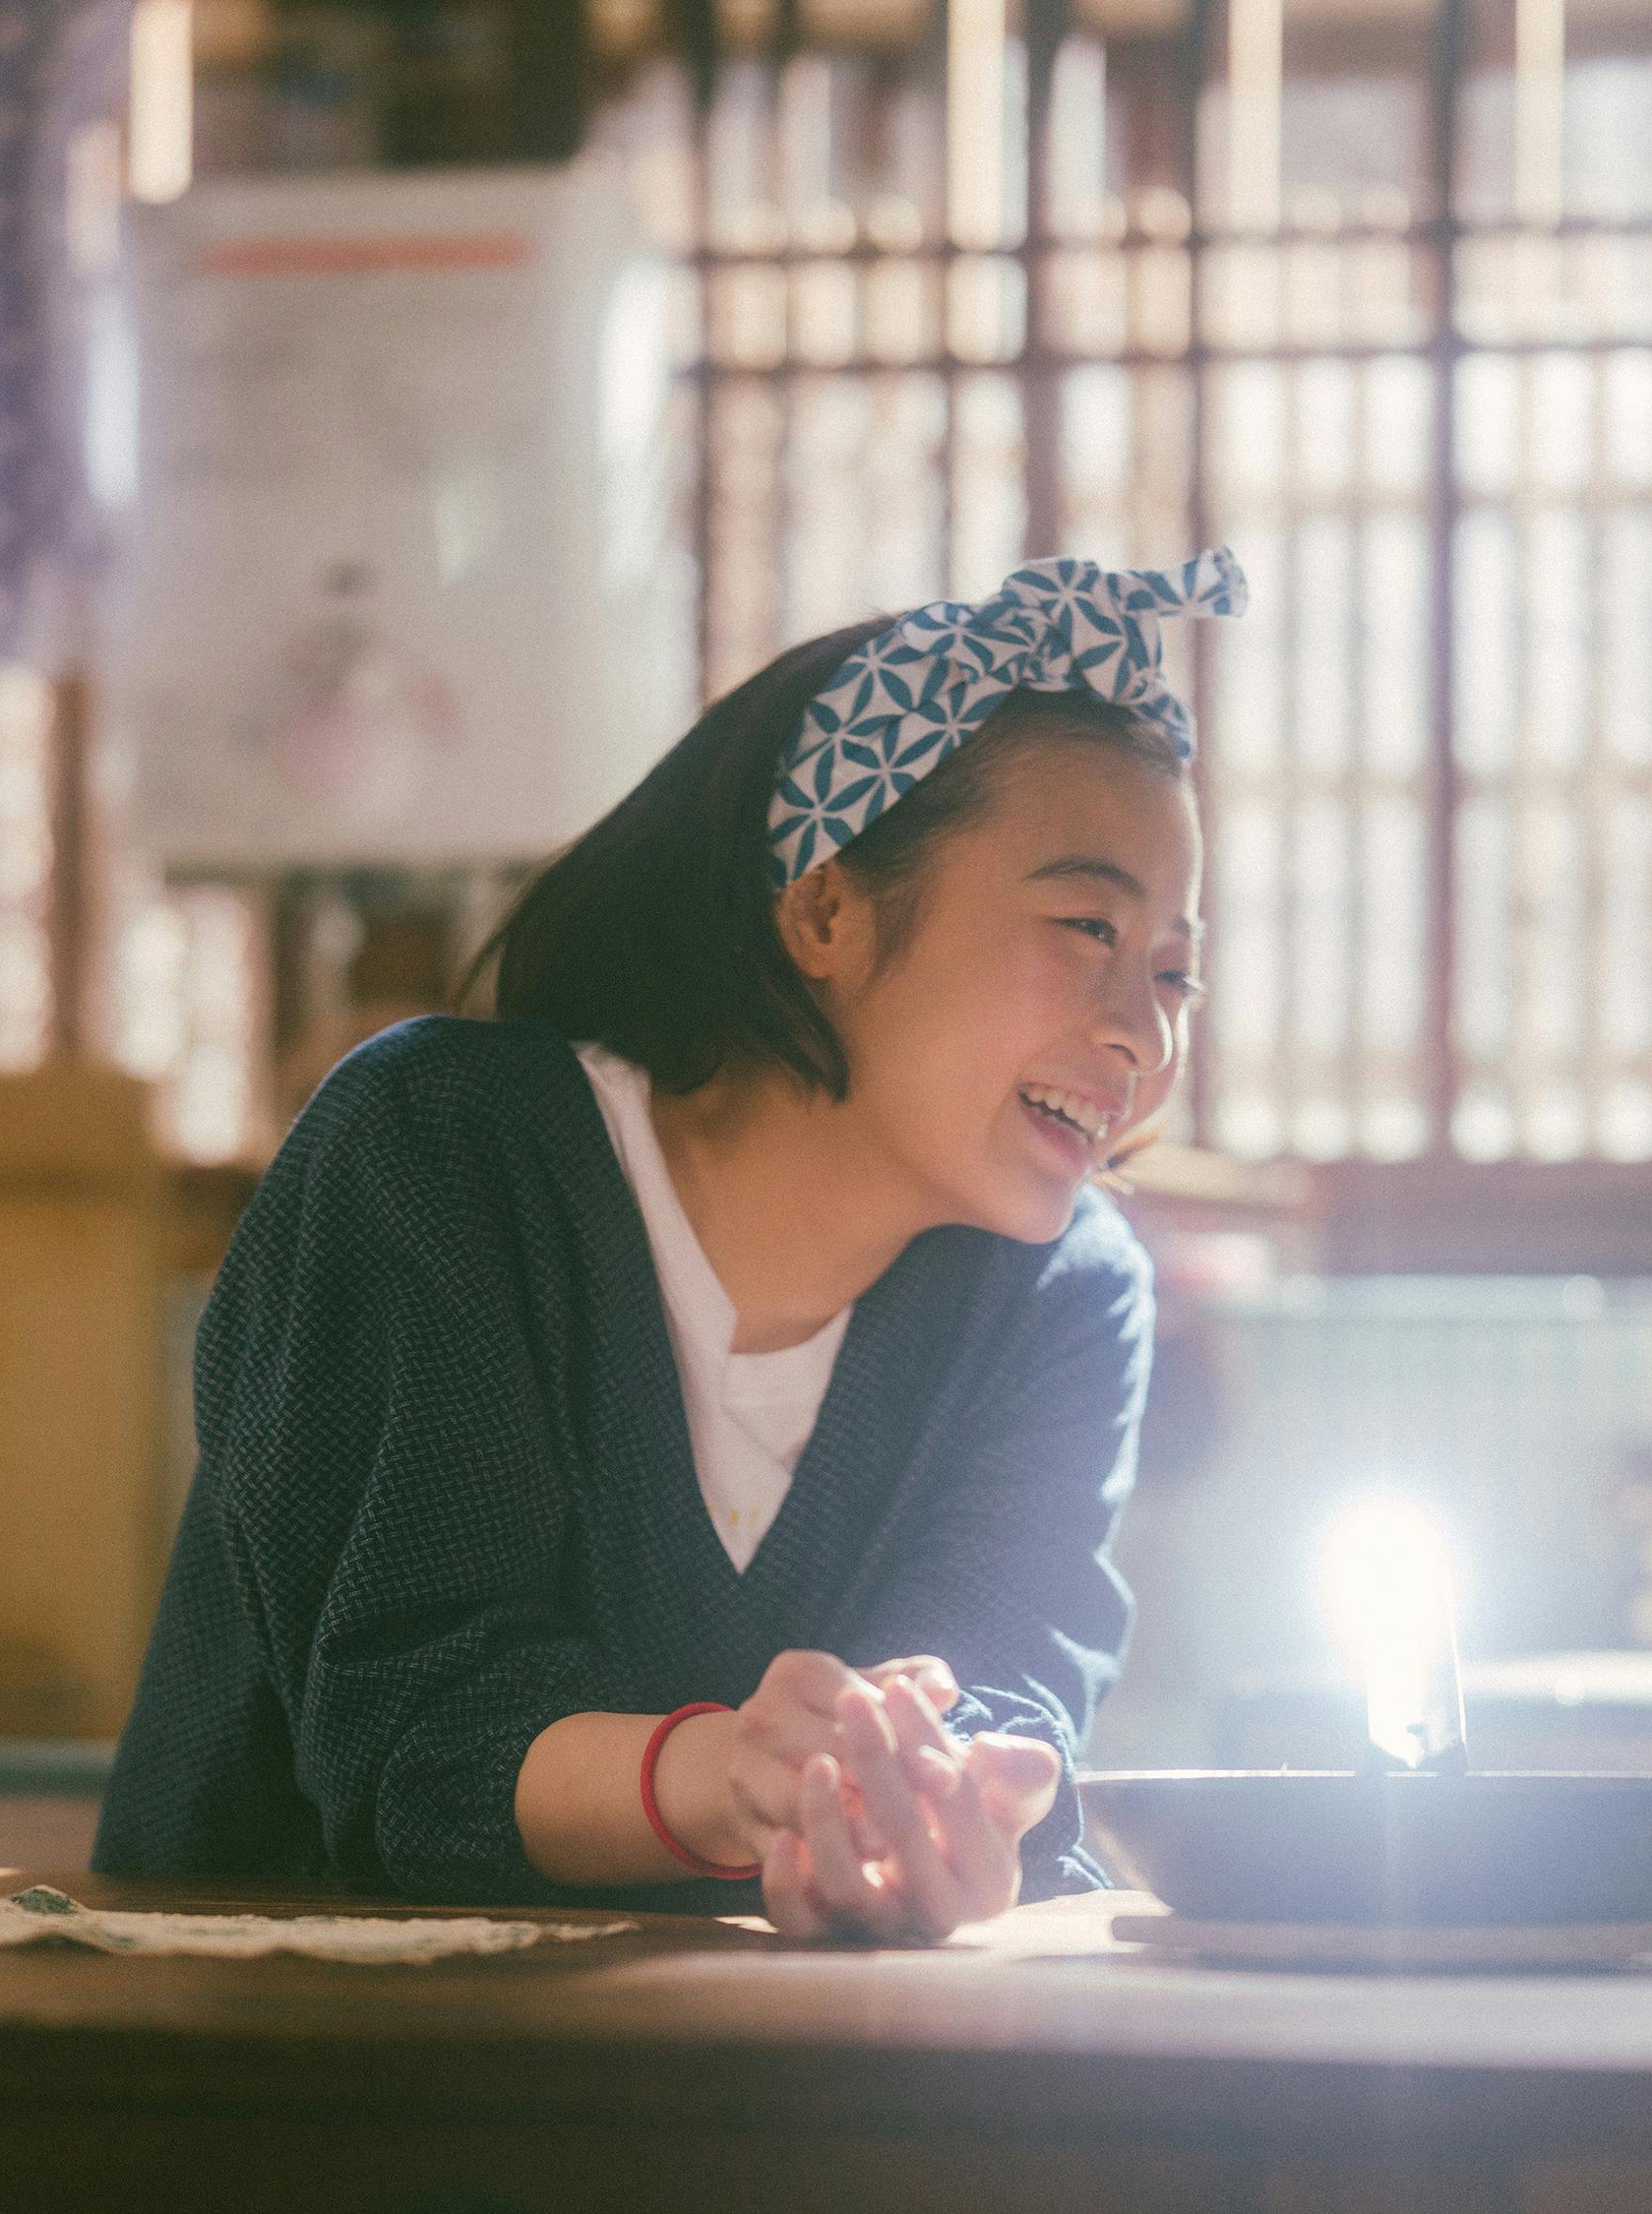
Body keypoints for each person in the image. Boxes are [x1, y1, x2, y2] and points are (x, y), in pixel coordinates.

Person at [94, 551, 1247, 1942]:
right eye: (1087, 926)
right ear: (825, 908)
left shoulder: (1068, 1293)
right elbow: (414, 1740)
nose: (1145, 1029)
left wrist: (934, 1812)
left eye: (1175, 968)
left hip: (760, 2103)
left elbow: (997, 1680)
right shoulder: (441, 1150)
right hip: (278, 2080)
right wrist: (730, 1779)